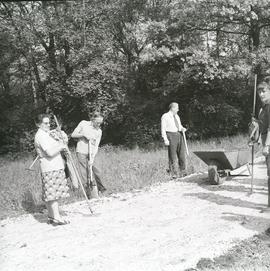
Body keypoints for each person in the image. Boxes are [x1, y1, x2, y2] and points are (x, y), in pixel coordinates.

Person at [34, 114, 70, 226]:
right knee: (54, 194)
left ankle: (51, 216)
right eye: (45, 123)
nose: (48, 125)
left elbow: (54, 145)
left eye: (49, 122)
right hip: (51, 166)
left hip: (52, 166)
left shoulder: (46, 134)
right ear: (38, 124)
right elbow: (49, 153)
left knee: (51, 194)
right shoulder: (41, 136)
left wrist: (61, 140)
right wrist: (62, 146)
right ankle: (57, 218)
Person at [71, 112, 106, 199]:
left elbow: (96, 145)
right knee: (84, 174)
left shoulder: (99, 131)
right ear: (92, 119)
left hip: (92, 153)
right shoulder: (83, 123)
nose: (99, 124)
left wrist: (92, 159)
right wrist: (83, 135)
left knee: (98, 171)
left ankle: (102, 190)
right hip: (81, 152)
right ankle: (89, 194)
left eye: (100, 123)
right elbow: (73, 135)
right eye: (97, 122)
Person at [161, 102, 187, 178]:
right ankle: (173, 173)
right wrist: (165, 139)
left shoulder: (177, 116)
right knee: (172, 155)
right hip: (170, 135)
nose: (178, 110)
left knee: (182, 154)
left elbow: (179, 126)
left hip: (178, 135)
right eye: (177, 108)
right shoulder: (165, 116)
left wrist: (182, 128)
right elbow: (163, 129)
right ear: (173, 108)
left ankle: (183, 172)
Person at [257, 76, 270, 209]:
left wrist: (267, 145)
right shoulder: (264, 108)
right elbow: (262, 127)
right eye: (259, 92)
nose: (261, 94)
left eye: (264, 91)